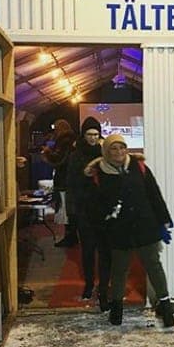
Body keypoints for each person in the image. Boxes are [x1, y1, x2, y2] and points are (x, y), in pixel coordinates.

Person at [85, 134, 174, 327]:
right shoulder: (99, 173)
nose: (119, 152)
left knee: (154, 266)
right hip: (119, 230)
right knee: (119, 270)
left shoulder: (139, 167)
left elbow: (154, 194)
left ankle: (166, 308)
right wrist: (102, 225)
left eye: (122, 147)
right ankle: (117, 309)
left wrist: (164, 221)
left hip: (145, 226)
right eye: (113, 148)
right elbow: (94, 205)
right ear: (106, 151)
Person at [66, 116, 112, 309]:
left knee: (105, 250)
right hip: (85, 210)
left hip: (103, 210)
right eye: (89, 134)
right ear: (83, 135)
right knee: (87, 250)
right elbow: (71, 182)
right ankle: (89, 283)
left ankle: (103, 287)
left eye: (96, 134)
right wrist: (72, 210)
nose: (93, 138)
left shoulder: (105, 153)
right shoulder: (76, 155)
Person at [42, 118, 78, 247]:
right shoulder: (72, 140)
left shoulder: (64, 141)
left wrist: (47, 152)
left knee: (65, 209)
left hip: (64, 180)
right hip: (70, 179)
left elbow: (59, 159)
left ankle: (70, 237)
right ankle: (72, 236)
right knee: (69, 210)